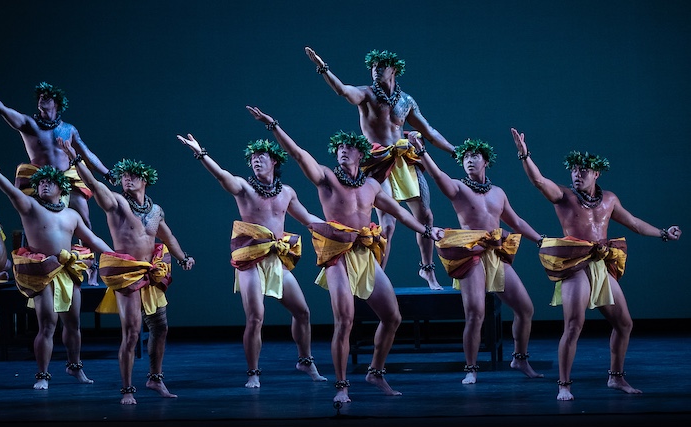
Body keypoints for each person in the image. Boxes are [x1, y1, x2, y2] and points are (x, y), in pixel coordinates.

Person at [248, 105, 444, 403]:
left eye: (349, 148)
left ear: (361, 155)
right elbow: (300, 154)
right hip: (337, 255)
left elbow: (402, 216)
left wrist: (428, 231)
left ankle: (375, 372)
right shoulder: (326, 178)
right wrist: (273, 124)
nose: (343, 151)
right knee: (345, 320)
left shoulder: (372, 186)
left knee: (392, 317)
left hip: (363, 254)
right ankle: (342, 386)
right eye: (339, 147)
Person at [511, 128, 682, 400]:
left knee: (624, 324)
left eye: (583, 171)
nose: (577, 174)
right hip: (575, 266)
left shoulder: (610, 199)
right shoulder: (564, 196)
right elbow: (540, 181)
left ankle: (616, 378)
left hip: (600, 265)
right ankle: (564, 385)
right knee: (574, 325)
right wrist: (525, 154)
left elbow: (635, 223)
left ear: (596, 174)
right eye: (574, 170)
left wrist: (663, 232)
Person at [177, 132, 327, 389]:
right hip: (250, 262)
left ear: (275, 162)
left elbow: (307, 218)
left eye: (262, 157)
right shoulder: (244, 188)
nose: (256, 161)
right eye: (253, 159)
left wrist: (337, 228)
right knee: (256, 316)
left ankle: (305, 360)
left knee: (302, 312)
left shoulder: (287, 192)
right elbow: (222, 176)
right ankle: (253, 372)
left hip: (276, 261)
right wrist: (201, 153)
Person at [305, 47, 457, 290]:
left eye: (382, 67)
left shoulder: (406, 101)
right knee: (387, 225)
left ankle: (426, 270)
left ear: (394, 70)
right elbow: (343, 91)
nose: (376, 71)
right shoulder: (366, 95)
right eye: (373, 67)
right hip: (378, 162)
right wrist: (324, 69)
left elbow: (429, 130)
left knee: (426, 216)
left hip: (404, 159)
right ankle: (378, 278)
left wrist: (453, 150)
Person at [59, 140, 195, 404]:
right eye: (123, 176)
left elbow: (168, 236)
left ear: (145, 180)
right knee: (132, 332)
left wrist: (183, 257)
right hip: (126, 274)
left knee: (160, 326)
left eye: (132, 176)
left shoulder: (156, 211)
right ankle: (127, 389)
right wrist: (77, 160)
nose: (127, 179)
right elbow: (97, 187)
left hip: (150, 271)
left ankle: (155, 378)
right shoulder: (118, 203)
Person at [408, 134, 544, 384]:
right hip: (470, 254)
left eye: (474, 156)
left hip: (495, 254)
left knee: (525, 308)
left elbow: (517, 222)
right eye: (465, 157)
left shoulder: (498, 193)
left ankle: (520, 358)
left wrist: (539, 239)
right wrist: (423, 153)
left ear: (486, 161)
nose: (469, 161)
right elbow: (439, 177)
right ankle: (471, 368)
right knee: (475, 313)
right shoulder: (459, 188)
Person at [0, 157, 113, 390]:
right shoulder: (30, 207)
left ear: (61, 188)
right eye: (40, 183)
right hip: (43, 271)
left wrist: (118, 256)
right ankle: (43, 375)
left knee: (74, 324)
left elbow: (93, 239)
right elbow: (11, 192)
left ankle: (74, 366)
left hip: (67, 273)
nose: (44, 185)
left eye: (49, 182)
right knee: (48, 324)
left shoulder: (72, 215)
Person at [0, 75, 112, 284]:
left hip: (66, 177)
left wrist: (106, 173)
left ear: (57, 102)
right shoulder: (29, 124)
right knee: (33, 222)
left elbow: (87, 153)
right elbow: (4, 111)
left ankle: (90, 266)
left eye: (47, 97)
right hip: (40, 179)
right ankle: (33, 265)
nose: (42, 99)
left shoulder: (68, 129)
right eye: (40, 97)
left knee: (85, 221)